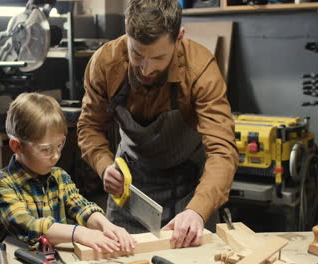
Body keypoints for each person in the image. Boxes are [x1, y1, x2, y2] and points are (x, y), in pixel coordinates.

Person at [77, 0, 239, 249]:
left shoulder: (200, 70)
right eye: (137, 54)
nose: (146, 68)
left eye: (159, 57)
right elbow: (89, 127)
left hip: (187, 187)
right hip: (129, 187)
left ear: (179, 37)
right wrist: (104, 165)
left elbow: (222, 151)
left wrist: (197, 210)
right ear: (126, 29)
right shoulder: (105, 64)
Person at [0, 92, 135, 253]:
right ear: (17, 146)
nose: (56, 156)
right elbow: (29, 226)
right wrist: (78, 232)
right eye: (46, 150)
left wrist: (106, 225)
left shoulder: (59, 177)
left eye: (59, 146)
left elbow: (81, 207)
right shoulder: (2, 185)